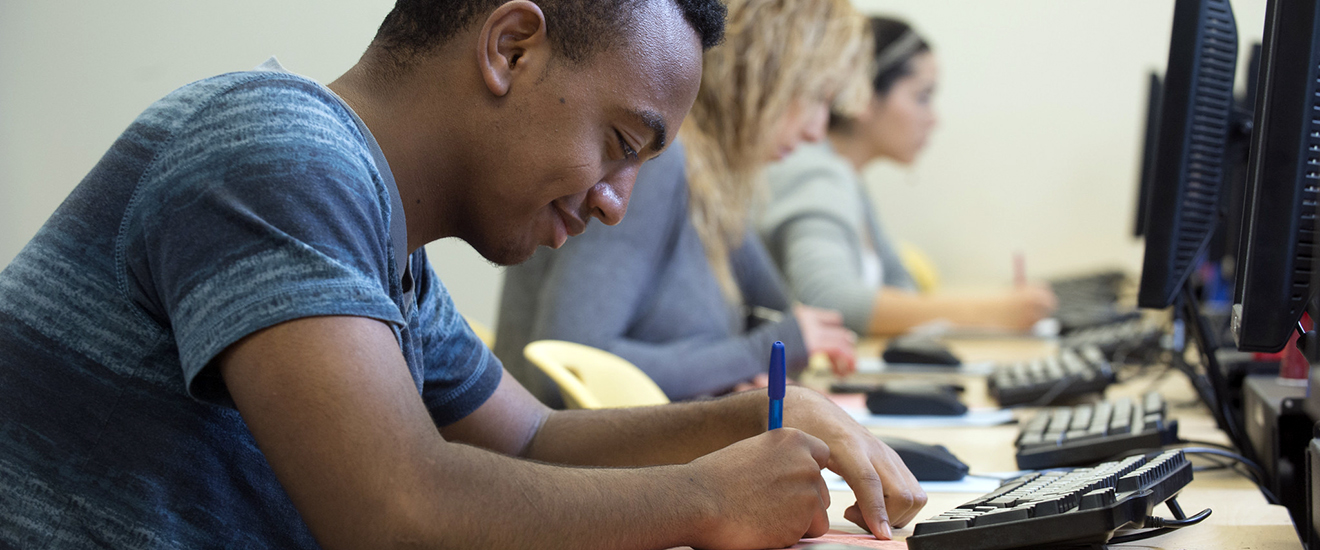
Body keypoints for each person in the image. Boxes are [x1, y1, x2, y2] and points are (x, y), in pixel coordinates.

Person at [0, 1, 925, 548]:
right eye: (620, 143)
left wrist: (761, 417)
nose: (616, 201)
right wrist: (712, 498)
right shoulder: (274, 150)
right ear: (511, 47)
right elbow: (396, 512)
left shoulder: (388, 247)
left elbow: (527, 444)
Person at [496, 0, 868, 404]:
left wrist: (751, 365)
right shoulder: (654, 161)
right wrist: (758, 355)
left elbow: (785, 319)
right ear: (761, 71)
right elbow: (569, 364)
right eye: (816, 96)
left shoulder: (713, 186)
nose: (817, 131)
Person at [760, 17, 1058, 337]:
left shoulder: (846, 176)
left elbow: (901, 286)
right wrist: (991, 309)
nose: (934, 119)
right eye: (922, 97)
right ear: (861, 96)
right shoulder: (814, 174)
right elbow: (829, 301)